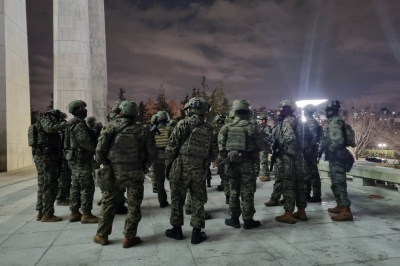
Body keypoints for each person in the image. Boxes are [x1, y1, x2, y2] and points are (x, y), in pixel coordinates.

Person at [94, 101, 158, 248]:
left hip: (114, 172)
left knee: (108, 203)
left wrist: (107, 163)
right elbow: (152, 153)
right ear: (135, 113)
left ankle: (102, 235)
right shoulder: (143, 129)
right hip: (135, 172)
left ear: (120, 113)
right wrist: (144, 165)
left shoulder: (110, 127)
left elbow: (99, 151)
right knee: (134, 205)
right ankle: (129, 237)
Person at [165, 97, 218, 245]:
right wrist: (203, 163)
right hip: (199, 169)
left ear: (190, 109)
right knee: (197, 201)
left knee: (177, 199)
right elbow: (214, 153)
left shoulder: (183, 124)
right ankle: (196, 233)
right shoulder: (210, 129)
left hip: (181, 166)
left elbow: (171, 147)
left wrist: (169, 166)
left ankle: (176, 230)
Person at [219, 99, 265, 229]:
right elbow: (261, 145)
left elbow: (221, 149)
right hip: (248, 164)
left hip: (232, 164)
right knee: (247, 191)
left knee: (233, 191)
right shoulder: (252, 127)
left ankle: (234, 219)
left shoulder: (226, 128)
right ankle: (248, 220)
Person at [29, 109, 78, 222]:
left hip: (44, 157)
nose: (58, 121)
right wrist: (67, 123)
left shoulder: (41, 122)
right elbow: (50, 128)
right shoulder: (45, 121)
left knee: (43, 185)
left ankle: (41, 212)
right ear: (52, 116)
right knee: (50, 185)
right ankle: (48, 214)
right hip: (46, 158)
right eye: (57, 118)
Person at [273, 100, 308, 224]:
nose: (280, 110)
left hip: (289, 158)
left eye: (281, 108)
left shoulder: (287, 121)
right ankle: (301, 211)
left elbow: (290, 138)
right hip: (299, 157)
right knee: (300, 185)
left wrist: (282, 150)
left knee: (288, 184)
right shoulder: (297, 120)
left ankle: (288, 214)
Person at [64, 100, 99, 224]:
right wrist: (96, 148)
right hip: (81, 159)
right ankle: (86, 214)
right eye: (83, 107)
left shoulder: (71, 124)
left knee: (76, 185)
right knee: (87, 186)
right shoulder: (79, 125)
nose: (85, 109)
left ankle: (74, 212)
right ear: (78, 110)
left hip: (74, 159)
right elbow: (85, 142)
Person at [321, 100, 353, 221]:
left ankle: (346, 210)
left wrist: (328, 148)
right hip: (336, 156)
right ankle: (340, 205)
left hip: (337, 157)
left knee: (339, 183)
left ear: (331, 110)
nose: (325, 112)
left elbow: (337, 141)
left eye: (326, 110)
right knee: (336, 183)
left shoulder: (335, 122)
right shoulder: (334, 121)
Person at [301, 104, 322, 203]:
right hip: (307, 150)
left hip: (311, 151)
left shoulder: (312, 122)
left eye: (305, 110)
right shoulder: (308, 122)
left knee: (313, 172)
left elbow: (313, 138)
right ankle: (306, 192)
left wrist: (308, 148)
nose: (303, 112)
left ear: (309, 111)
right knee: (306, 172)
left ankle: (316, 194)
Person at [153, 111, 172, 208]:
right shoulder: (171, 129)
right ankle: (176, 200)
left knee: (159, 181)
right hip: (170, 158)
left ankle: (162, 202)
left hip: (157, 159)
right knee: (173, 180)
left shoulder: (153, 130)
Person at [56, 112, 72, 206]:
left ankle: (65, 196)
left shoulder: (58, 127)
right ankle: (61, 197)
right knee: (64, 177)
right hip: (63, 156)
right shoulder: (63, 127)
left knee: (64, 177)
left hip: (61, 155)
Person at [258, 115, 272, 182]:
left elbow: (268, 137)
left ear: (264, 120)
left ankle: (266, 175)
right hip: (259, 146)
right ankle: (260, 173)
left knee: (264, 161)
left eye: (261, 120)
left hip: (264, 147)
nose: (259, 121)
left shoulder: (267, 127)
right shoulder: (259, 127)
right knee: (259, 161)